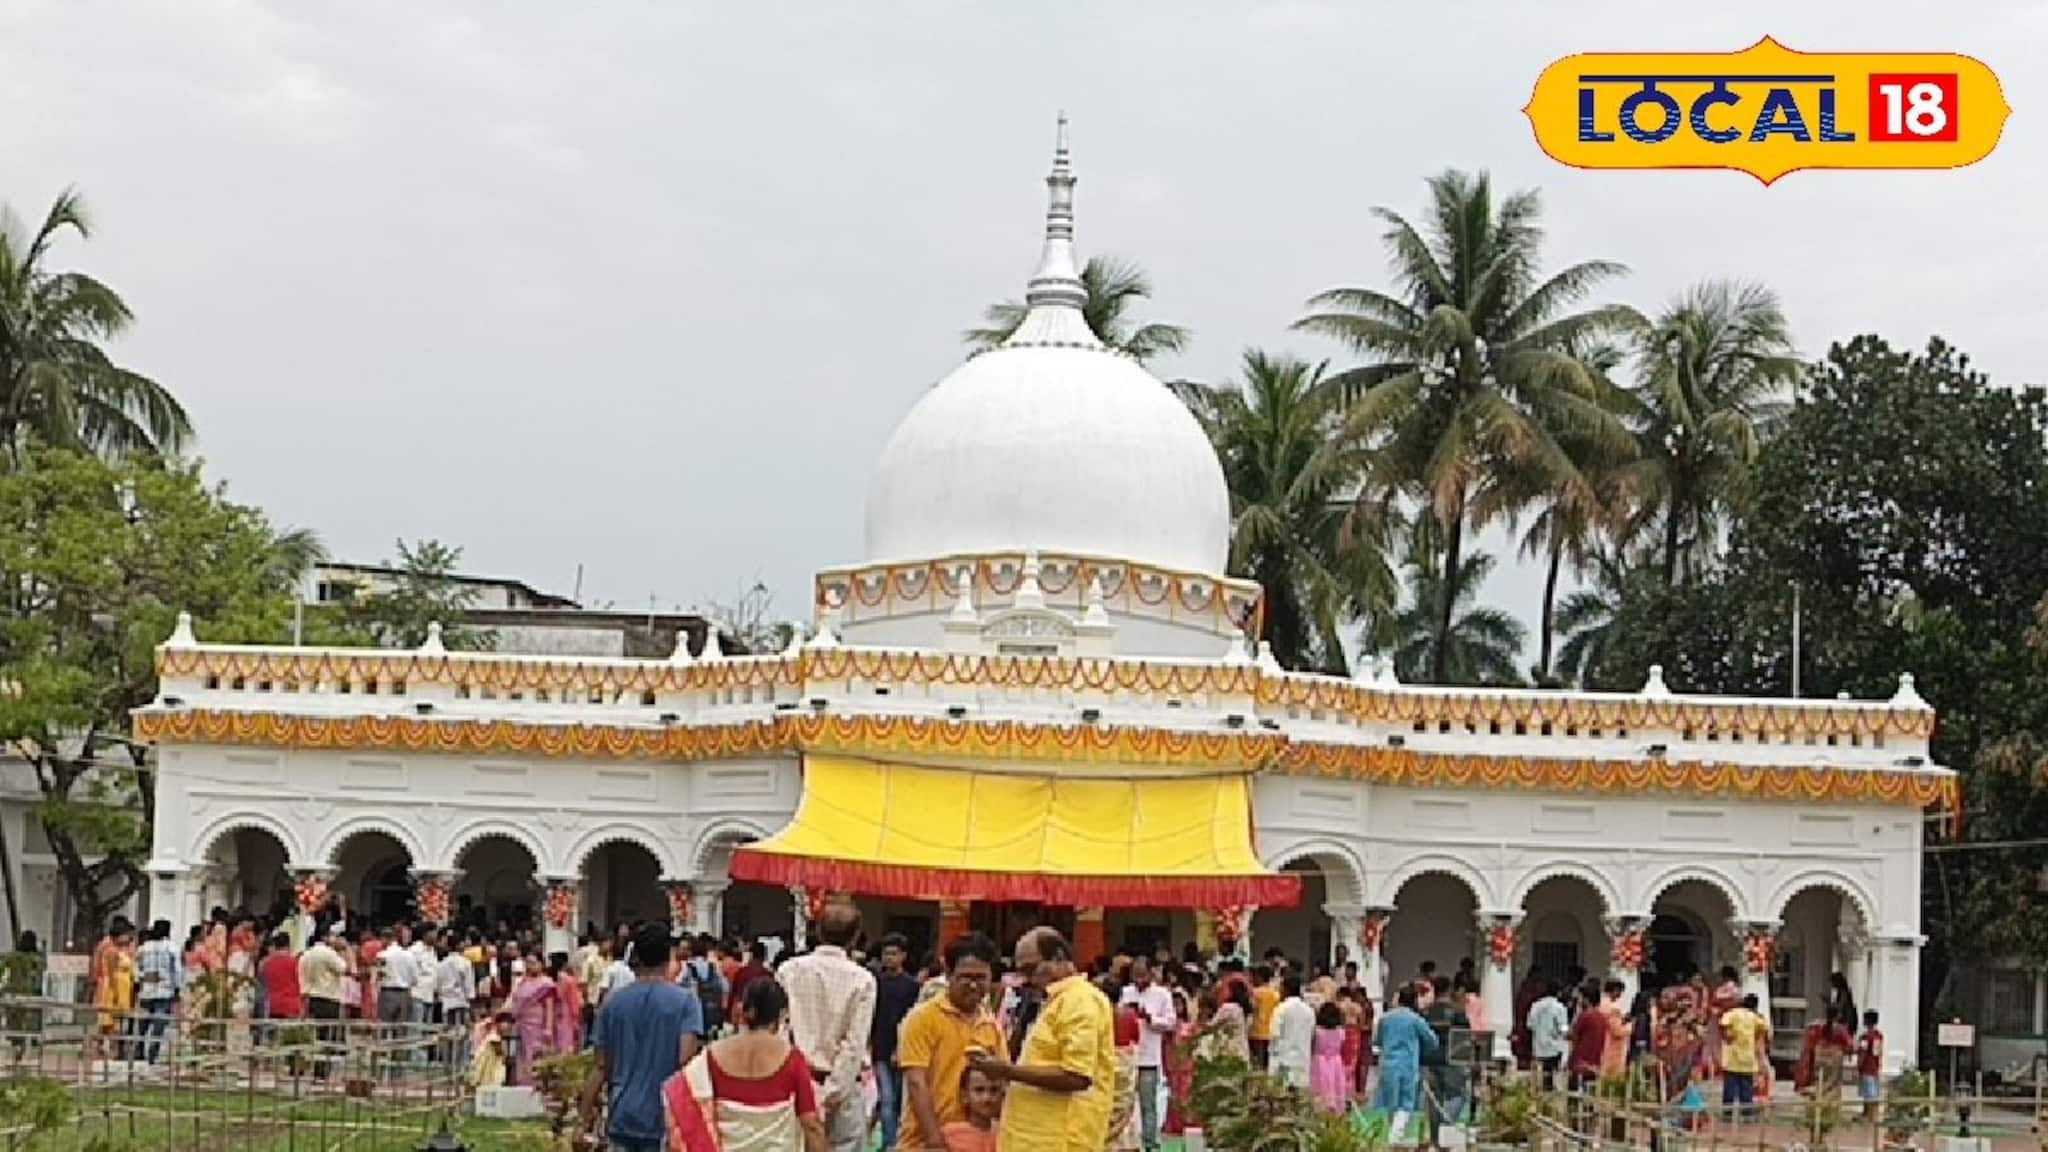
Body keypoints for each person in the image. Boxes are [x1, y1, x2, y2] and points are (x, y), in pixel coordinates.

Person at [968, 927, 1114, 1152]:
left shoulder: (1080, 1001)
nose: (1026, 979)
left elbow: (1076, 1076)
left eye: (1031, 969)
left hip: (1061, 1139)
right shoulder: (1052, 1001)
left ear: (1058, 957)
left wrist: (1006, 1071)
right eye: (1021, 972)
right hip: (1034, 1137)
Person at [578, 923, 706, 1152]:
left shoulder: (613, 1004)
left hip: (622, 1114)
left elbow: (599, 1068)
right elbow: (686, 1062)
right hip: (665, 1116)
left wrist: (582, 1123)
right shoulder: (686, 1002)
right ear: (670, 956)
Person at [664, 976, 825, 1152]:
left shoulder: (711, 1056)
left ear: (744, 1009)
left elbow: (685, 1100)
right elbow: (811, 1124)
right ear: (781, 1015)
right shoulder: (791, 1058)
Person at [778, 902, 878, 1152]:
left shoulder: (788, 970)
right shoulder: (862, 980)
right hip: (841, 1091)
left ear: (819, 932)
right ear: (855, 937)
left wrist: (803, 1089)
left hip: (794, 1086)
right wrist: (830, 1095)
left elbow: (780, 1032)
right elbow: (853, 1046)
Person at [898, 931, 1005, 1152]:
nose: (974, 986)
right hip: (923, 1142)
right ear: (948, 973)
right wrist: (935, 1142)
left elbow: (1002, 1083)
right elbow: (917, 1083)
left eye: (980, 978)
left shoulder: (991, 1026)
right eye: (966, 977)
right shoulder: (922, 1019)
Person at [1117, 957, 1176, 1152]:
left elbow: (1170, 1022)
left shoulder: (1162, 995)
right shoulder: (1126, 993)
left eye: (1142, 974)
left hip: (1149, 1056)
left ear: (1151, 974)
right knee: (1123, 1103)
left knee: (1147, 1104)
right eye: (1136, 974)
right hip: (1125, 1055)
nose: (1139, 979)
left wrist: (1149, 1018)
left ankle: (1151, 1144)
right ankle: (1125, 1143)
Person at [872, 933, 921, 1152]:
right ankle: (890, 1143)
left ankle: (901, 1141)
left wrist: (899, 1048)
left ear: (903, 956)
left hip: (904, 1049)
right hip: (879, 1048)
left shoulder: (911, 986)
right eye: (886, 953)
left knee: (902, 1100)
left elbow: (911, 1019)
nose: (889, 958)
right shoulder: (875, 983)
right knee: (887, 1100)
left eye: (893, 953)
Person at [1370, 984, 1438, 1138]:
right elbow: (1432, 1040)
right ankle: (1396, 1135)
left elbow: (1377, 1041)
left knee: (1389, 1103)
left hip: (1388, 1064)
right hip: (1408, 1065)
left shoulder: (1385, 1018)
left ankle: (1392, 1134)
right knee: (1406, 1104)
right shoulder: (1415, 1019)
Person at [298, 925, 349, 1080]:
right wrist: (343, 951)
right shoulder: (328, 954)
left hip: (311, 997)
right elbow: (343, 968)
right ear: (326, 937)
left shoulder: (305, 955)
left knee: (315, 1036)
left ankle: (310, 1068)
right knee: (327, 1038)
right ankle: (322, 1072)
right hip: (328, 997)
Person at [133, 920, 180, 1064]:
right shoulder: (172, 948)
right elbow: (177, 970)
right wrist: (177, 988)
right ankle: (153, 1050)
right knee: (159, 1023)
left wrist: (141, 978)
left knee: (143, 1022)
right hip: (164, 990)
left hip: (147, 989)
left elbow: (135, 967)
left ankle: (139, 1048)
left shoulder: (143, 948)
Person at [1718, 993, 1768, 1124]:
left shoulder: (1732, 1013)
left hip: (1732, 1059)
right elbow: (1764, 1030)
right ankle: (1747, 1116)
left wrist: (1726, 1037)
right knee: (1746, 1089)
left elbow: (1722, 1024)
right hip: (1747, 1060)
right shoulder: (1755, 1017)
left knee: (1729, 1088)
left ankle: (1727, 1116)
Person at [942, 1063, 1005, 1152]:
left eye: (994, 1090)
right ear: (965, 1096)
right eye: (979, 1090)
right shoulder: (949, 1135)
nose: (987, 1098)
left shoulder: (1006, 1132)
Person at [1794, 1007, 1853, 1096]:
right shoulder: (1840, 1030)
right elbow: (1850, 1046)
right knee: (1831, 1090)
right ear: (1838, 1015)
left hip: (1818, 1062)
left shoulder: (1817, 1027)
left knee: (1817, 1086)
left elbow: (1809, 1045)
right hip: (1833, 1064)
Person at [1267, 974, 1313, 1088]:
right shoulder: (1309, 1011)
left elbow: (1274, 1035)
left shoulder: (1281, 1009)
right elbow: (1311, 1034)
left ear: (1286, 989)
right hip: (1302, 1060)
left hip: (1282, 1060)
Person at [1526, 979, 1568, 1088]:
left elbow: (1530, 1025)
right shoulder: (1559, 1007)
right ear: (1558, 992)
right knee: (1551, 1076)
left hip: (1538, 1047)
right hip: (1554, 1047)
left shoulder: (1535, 1005)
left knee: (1539, 1077)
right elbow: (1563, 1028)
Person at [1309, 1001, 1349, 1113]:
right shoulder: (1341, 1031)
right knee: (1336, 1088)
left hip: (1319, 1062)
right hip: (1336, 1062)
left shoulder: (1317, 1031)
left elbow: (1312, 1047)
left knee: (1320, 1089)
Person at [1246, 965, 1279, 1069]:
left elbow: (1250, 1008)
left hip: (1256, 1030)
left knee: (1257, 1062)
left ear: (1259, 977)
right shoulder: (1275, 993)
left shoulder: (1255, 992)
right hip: (1271, 1030)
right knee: (1268, 1062)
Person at [1855, 1010, 1884, 1116]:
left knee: (1868, 1093)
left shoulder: (1865, 1037)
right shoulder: (1879, 1036)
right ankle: (1870, 1114)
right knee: (1873, 1092)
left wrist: (1859, 1065)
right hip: (1875, 1067)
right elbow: (1877, 1052)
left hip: (1866, 1068)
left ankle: (1868, 1114)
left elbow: (1863, 1052)